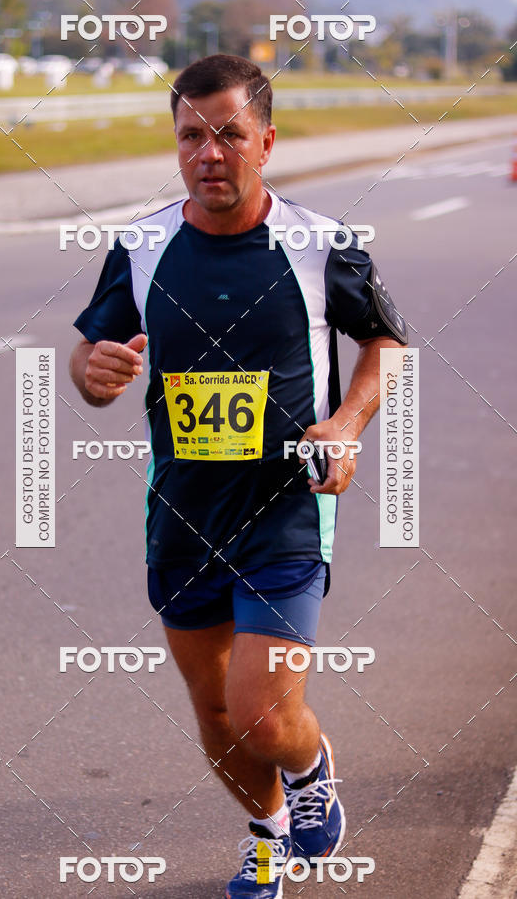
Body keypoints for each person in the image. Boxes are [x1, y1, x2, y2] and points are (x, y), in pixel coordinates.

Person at [70, 54, 408, 898]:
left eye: (228, 135)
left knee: (262, 712)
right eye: (191, 136)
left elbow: (385, 345)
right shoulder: (141, 247)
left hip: (285, 512)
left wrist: (346, 423)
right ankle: (265, 832)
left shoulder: (322, 245)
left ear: (267, 141)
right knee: (219, 718)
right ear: (176, 144)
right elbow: (89, 353)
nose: (209, 153)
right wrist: (94, 371)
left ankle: (309, 765)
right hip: (181, 518)